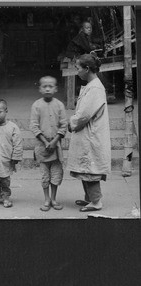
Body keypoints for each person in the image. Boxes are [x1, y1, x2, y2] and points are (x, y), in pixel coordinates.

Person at [67, 54, 111, 212]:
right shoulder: (91, 85)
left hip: (91, 135)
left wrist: (71, 122)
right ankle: (90, 199)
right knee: (84, 168)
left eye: (78, 68)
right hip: (86, 134)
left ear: (87, 69)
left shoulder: (95, 88)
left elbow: (84, 115)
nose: (77, 71)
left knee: (90, 169)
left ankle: (96, 201)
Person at [30, 76, 67, 211]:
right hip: (42, 146)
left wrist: (54, 140)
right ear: (40, 89)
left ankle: (54, 198)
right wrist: (45, 142)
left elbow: (64, 125)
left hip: (56, 147)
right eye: (44, 86)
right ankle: (46, 199)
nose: (47, 88)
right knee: (45, 175)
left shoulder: (59, 105)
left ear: (55, 89)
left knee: (56, 174)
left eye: (50, 86)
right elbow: (34, 126)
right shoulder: (36, 105)